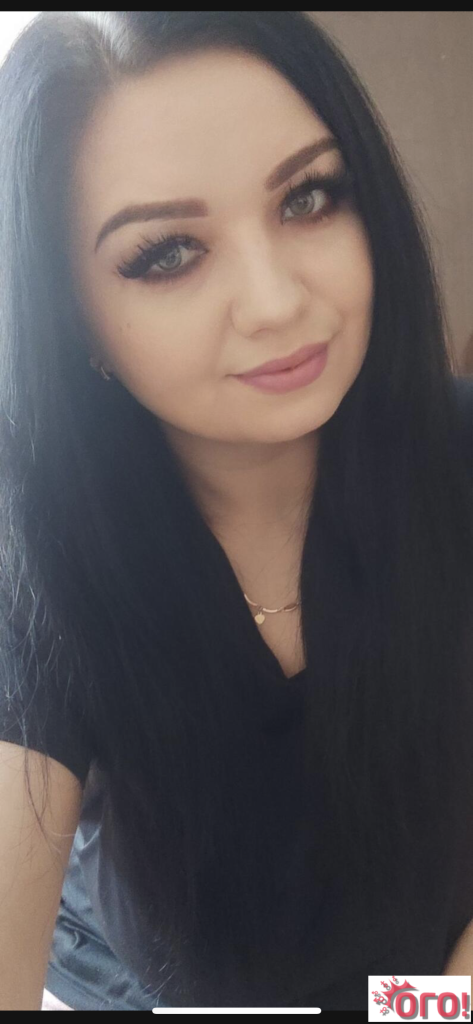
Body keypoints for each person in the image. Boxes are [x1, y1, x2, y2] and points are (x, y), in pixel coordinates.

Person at [0, 11, 472, 1012]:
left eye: (308, 197)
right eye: (166, 253)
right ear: (74, 321)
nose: (274, 302)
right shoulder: (34, 561)